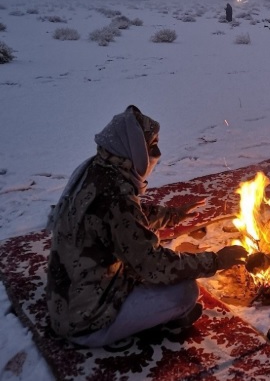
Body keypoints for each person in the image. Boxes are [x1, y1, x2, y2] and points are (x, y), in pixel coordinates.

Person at [46, 105, 247, 347]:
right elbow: (153, 264)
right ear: (132, 148)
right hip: (86, 319)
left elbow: (123, 223)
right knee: (185, 292)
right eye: (151, 146)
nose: (156, 153)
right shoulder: (115, 194)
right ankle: (131, 327)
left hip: (66, 296)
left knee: (147, 265)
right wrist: (215, 261)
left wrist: (171, 216)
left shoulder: (94, 169)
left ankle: (142, 317)